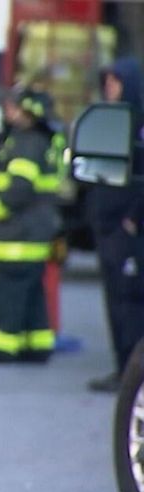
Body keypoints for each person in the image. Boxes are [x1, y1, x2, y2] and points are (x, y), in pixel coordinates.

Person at [0, 87, 63, 364]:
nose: (7, 112)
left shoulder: (26, 142)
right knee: (31, 292)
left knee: (7, 290)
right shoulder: (42, 139)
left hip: (19, 233)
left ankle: (1, 346)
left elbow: (20, 187)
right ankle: (36, 344)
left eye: (12, 108)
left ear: (26, 112)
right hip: (35, 231)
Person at [87, 57, 144, 392]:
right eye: (106, 81)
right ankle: (121, 367)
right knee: (114, 300)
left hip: (130, 229)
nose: (109, 88)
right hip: (106, 226)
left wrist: (133, 219)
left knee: (130, 301)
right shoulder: (107, 122)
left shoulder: (138, 126)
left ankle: (131, 374)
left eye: (116, 82)